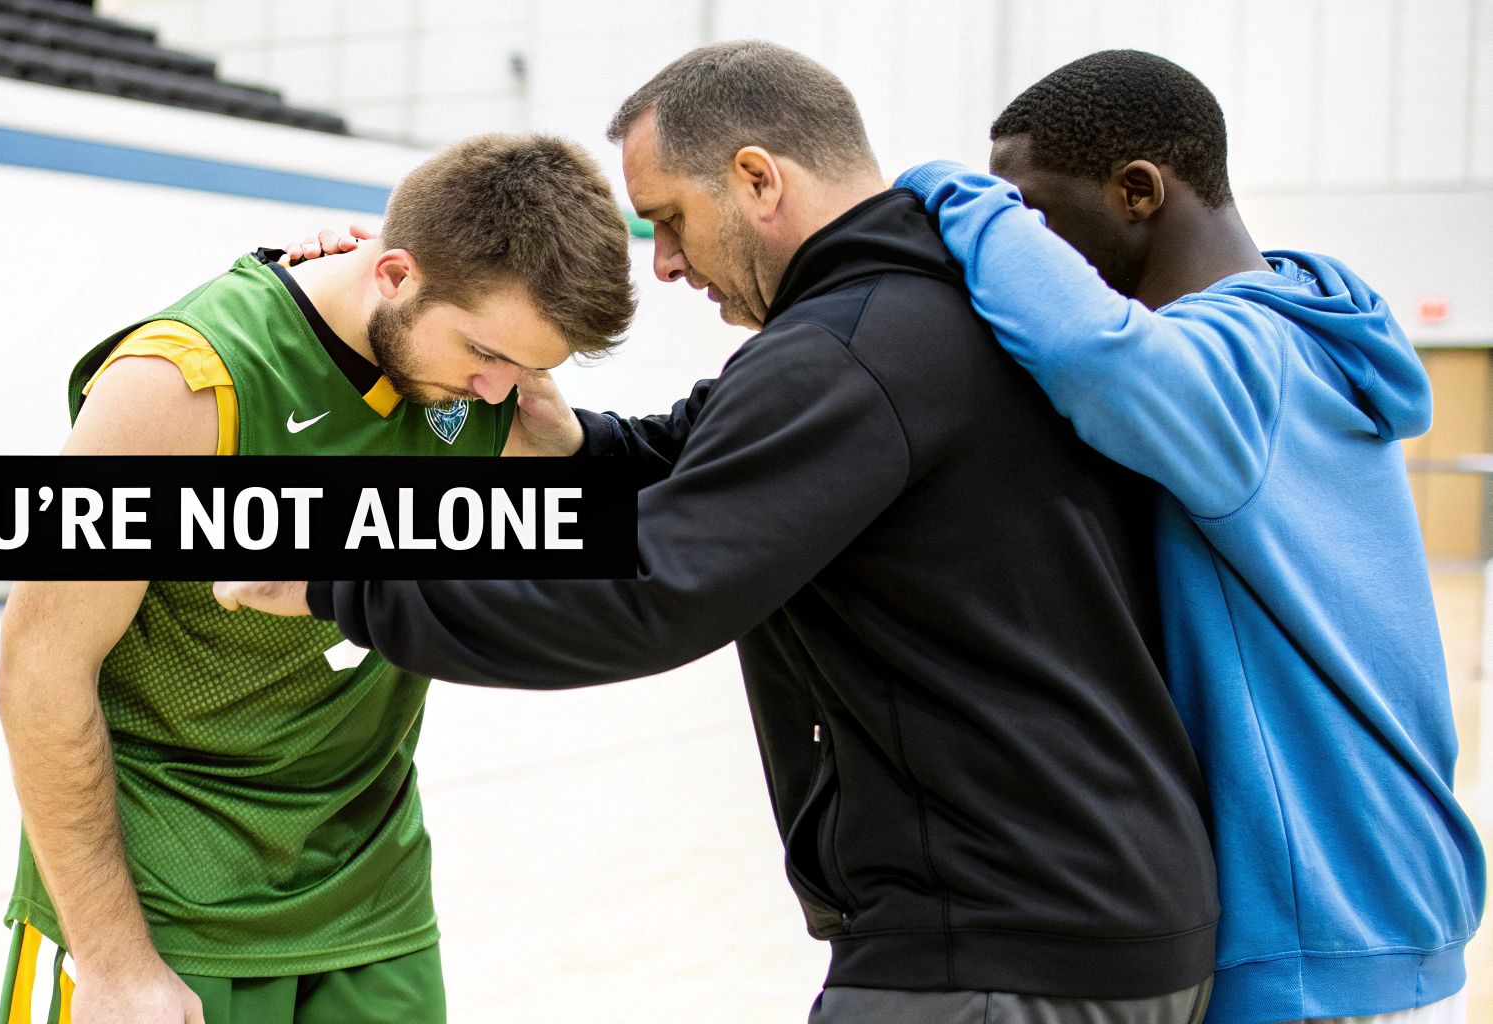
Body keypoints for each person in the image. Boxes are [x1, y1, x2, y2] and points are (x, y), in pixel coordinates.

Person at [219, 41, 1219, 1023]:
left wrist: (341, 579)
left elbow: (648, 589)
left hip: (1002, 946)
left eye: (669, 219)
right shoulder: (927, 312)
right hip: (1097, 919)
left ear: (755, 179)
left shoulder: (848, 352)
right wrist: (577, 446)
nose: (662, 262)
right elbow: (702, 458)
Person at [890, 50, 1484, 1024]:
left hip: (1317, 947)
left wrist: (946, 192)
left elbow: (1093, 356)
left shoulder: (1243, 359)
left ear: (1137, 192)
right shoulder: (1310, 330)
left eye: (1033, 215)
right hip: (1389, 919)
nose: (1026, 241)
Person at [0, 132, 635, 1024]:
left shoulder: (497, 398)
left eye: (530, 367)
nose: (498, 391)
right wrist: (112, 961)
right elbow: (39, 673)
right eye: (486, 353)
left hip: (373, 899)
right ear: (396, 274)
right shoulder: (181, 383)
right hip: (167, 909)